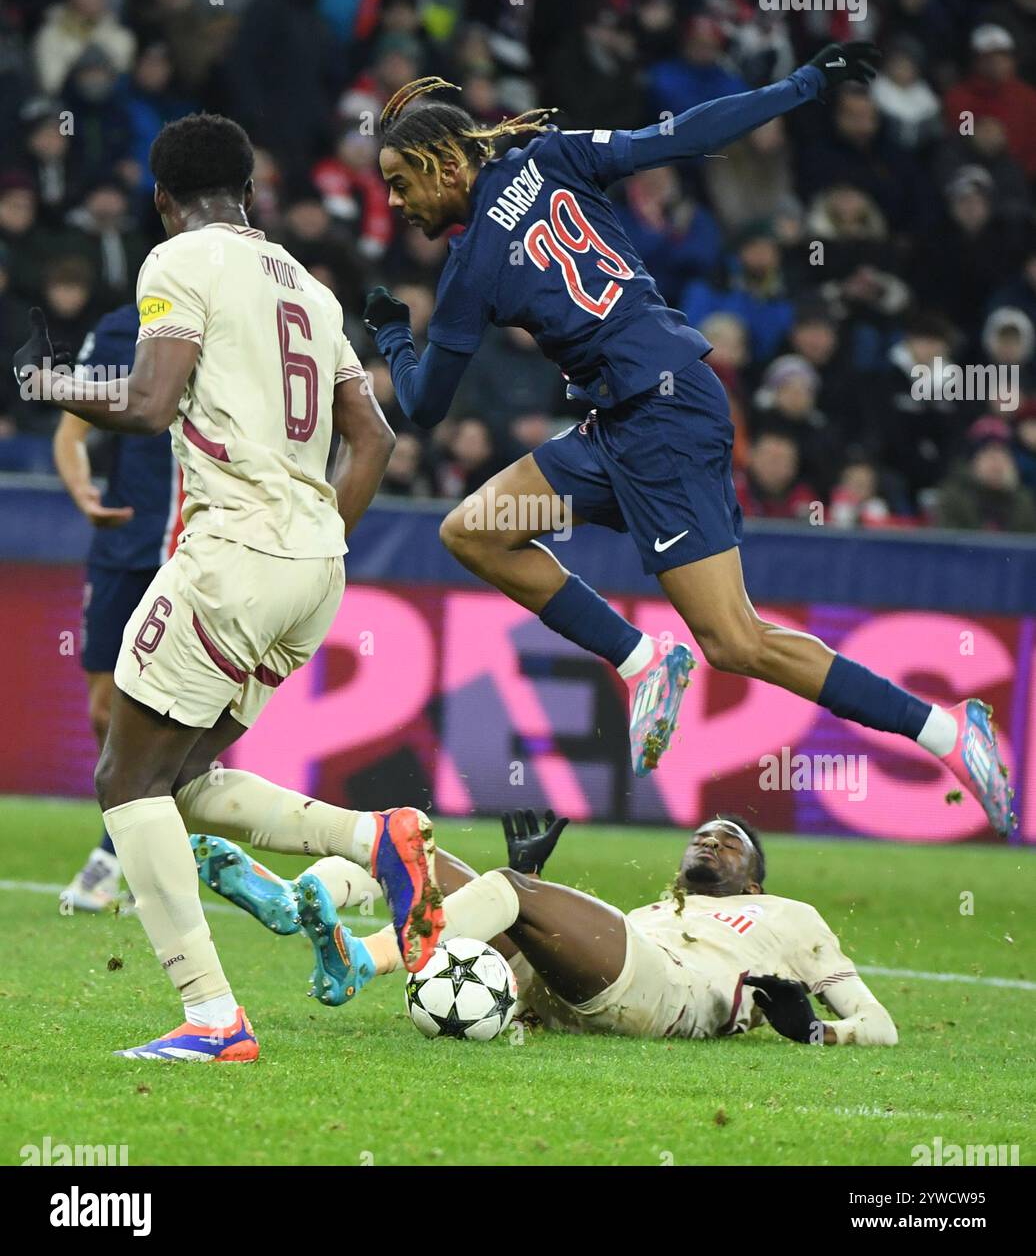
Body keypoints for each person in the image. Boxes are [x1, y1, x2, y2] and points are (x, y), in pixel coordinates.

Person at [362, 46, 1015, 838]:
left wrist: (396, 337)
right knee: (474, 530)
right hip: (629, 416)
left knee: (735, 640)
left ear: (442, 166)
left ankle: (947, 733)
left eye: (401, 181)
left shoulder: (469, 271)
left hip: (659, 422)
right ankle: (644, 662)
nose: (396, 202)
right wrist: (801, 85)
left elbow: (426, 404)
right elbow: (682, 139)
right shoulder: (553, 156)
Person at [11, 112, 442, 1062]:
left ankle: (213, 1016)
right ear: (246, 190)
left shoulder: (177, 263)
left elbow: (147, 403)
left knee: (124, 777)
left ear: (164, 201)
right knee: (180, 778)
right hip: (314, 568)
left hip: (234, 554)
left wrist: (42, 382)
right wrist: (322, 533)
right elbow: (374, 436)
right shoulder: (311, 288)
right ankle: (378, 841)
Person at [191, 812, 898, 1047]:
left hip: (677, 999)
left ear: (754, 881)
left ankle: (361, 961)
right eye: (704, 835)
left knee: (509, 890)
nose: (710, 842)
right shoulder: (659, 910)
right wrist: (523, 910)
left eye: (730, 841)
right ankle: (293, 900)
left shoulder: (789, 918)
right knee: (414, 852)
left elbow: (880, 1023)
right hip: (578, 990)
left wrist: (820, 1032)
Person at [54, 302, 182, 913]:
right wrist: (82, 490)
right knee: (106, 710)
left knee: (167, 711)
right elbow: (72, 431)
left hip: (191, 546)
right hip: (124, 541)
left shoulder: (232, 316)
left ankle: (117, 856)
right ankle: (137, 849)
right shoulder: (116, 329)